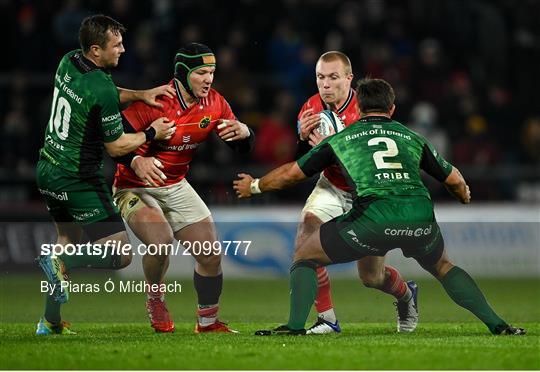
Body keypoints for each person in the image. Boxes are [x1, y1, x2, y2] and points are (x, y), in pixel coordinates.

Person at [234, 78, 525, 336]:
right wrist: (462, 196)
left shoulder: (341, 140)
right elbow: (454, 179)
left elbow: (291, 175)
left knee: (305, 255)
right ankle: (498, 324)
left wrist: (256, 186)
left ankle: (295, 327)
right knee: (442, 266)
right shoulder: (412, 138)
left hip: (373, 219)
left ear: (358, 109)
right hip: (420, 217)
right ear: (392, 109)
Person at [35, 14, 176, 335]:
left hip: (48, 169)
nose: (123, 49)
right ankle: (61, 265)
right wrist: (152, 133)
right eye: (117, 45)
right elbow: (116, 147)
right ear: (96, 50)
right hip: (78, 178)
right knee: (121, 254)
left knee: (68, 239)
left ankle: (49, 322)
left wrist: (140, 95)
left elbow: (105, 94)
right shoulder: (101, 88)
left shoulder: (69, 61)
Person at [112, 42, 254, 333]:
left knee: (210, 254)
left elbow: (241, 150)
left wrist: (245, 134)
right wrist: (137, 161)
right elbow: (115, 145)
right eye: (201, 72)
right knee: (161, 240)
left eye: (212, 72)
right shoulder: (155, 101)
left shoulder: (215, 103)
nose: (209, 79)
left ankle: (208, 322)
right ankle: (155, 297)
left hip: (176, 185)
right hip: (134, 186)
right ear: (183, 73)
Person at [295, 51, 417, 334]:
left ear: (349, 79)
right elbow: (305, 162)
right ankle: (327, 320)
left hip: (369, 193)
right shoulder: (311, 108)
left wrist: (335, 148)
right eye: (320, 77)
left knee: (371, 277)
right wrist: (302, 140)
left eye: (333, 77)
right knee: (307, 234)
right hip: (333, 187)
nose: (325, 85)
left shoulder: (367, 109)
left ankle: (406, 294)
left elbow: (369, 167)